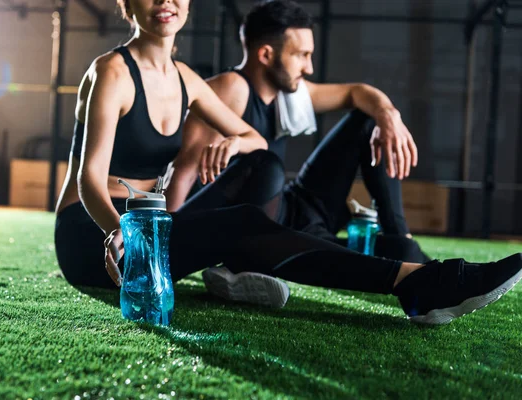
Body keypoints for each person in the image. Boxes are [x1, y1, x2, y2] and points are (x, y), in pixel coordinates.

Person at [54, 0, 522, 325]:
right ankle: (417, 283)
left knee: (264, 167)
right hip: (95, 236)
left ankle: (411, 279)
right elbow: (87, 177)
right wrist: (119, 229)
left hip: (150, 233)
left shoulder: (186, 80)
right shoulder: (111, 71)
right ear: (127, 4)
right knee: (241, 221)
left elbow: (255, 140)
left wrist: (235, 144)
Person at [166, 0, 428, 265]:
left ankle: (399, 233)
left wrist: (388, 114)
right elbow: (183, 175)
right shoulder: (230, 89)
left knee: (368, 120)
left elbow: (357, 93)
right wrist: (164, 248)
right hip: (262, 230)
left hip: (299, 209)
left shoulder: (291, 91)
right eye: (301, 55)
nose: (309, 67)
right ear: (266, 55)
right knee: (404, 256)